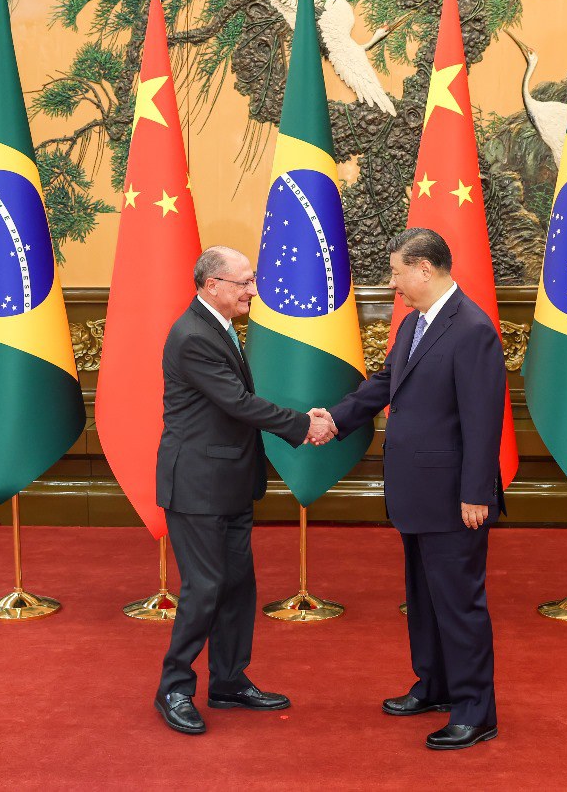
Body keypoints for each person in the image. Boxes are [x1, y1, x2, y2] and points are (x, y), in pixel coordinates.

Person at [323, 228, 506, 751]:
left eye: (399, 271)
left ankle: (476, 710)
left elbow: (482, 420)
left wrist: (477, 493)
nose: (394, 282)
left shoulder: (472, 328)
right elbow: (384, 386)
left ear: (425, 269)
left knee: (459, 604)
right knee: (423, 600)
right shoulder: (412, 326)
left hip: (454, 498)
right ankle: (434, 686)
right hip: (414, 493)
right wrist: (333, 419)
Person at [153, 246, 335, 736]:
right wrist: (304, 425)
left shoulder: (219, 328)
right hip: (197, 486)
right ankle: (174, 687)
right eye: (244, 283)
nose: (252, 291)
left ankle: (229, 680)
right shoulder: (192, 335)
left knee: (237, 587)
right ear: (212, 285)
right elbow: (237, 403)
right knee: (206, 588)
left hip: (228, 482)